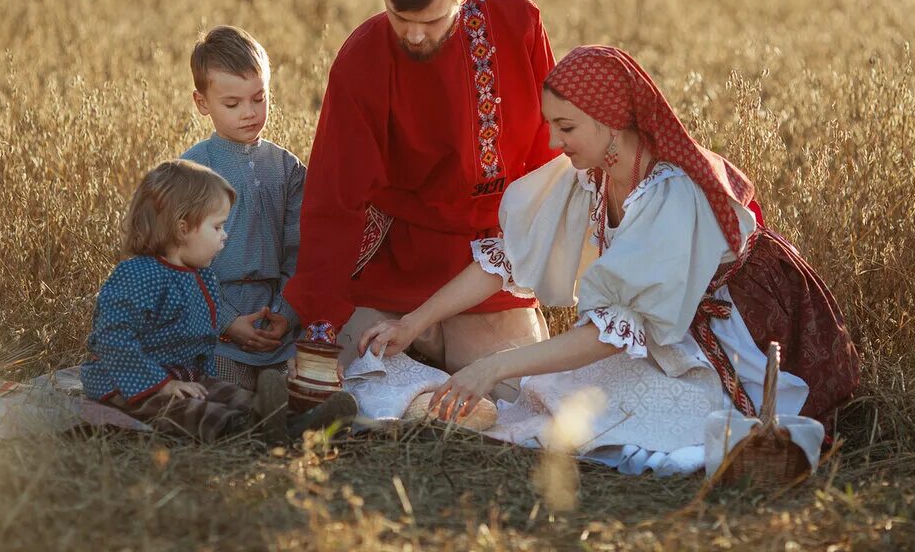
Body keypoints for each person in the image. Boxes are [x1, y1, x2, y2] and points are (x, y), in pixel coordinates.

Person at [363, 45, 860, 475]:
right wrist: (413, 322)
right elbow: (509, 259)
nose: (554, 143)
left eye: (566, 127)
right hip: (665, 326)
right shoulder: (592, 171)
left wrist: (493, 367)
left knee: (601, 413)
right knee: (552, 396)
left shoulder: (671, 193)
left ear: (610, 122)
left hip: (739, 338)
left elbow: (610, 333)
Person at [281, 0, 558, 395]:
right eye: (398, 15)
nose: (411, 35)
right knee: (345, 377)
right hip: (395, 255)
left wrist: (528, 254)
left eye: (430, 21)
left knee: (519, 393)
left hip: (484, 259)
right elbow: (334, 196)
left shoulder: (518, 23)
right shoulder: (361, 59)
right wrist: (321, 320)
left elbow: (549, 155)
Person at [79, 160, 275, 442]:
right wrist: (162, 385)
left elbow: (200, 343)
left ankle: (283, 419)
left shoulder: (202, 277)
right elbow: (112, 337)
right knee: (191, 412)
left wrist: (203, 381)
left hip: (185, 376)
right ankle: (250, 431)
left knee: (239, 397)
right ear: (183, 228)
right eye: (217, 227)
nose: (225, 236)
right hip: (127, 382)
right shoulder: (139, 275)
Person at [181, 25, 304, 391]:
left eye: (259, 98)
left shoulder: (287, 168)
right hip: (218, 326)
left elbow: (300, 250)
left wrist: (287, 313)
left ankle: (291, 415)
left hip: (276, 324)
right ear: (202, 103)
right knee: (227, 393)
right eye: (232, 104)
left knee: (295, 387)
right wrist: (227, 321)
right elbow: (180, 263)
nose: (249, 113)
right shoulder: (192, 170)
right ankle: (252, 413)